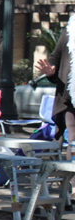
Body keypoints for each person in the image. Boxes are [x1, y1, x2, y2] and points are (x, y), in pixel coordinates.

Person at [35, 13, 75, 164]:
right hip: (71, 96)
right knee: (74, 140)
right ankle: (73, 184)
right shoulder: (70, 30)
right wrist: (51, 71)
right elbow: (55, 57)